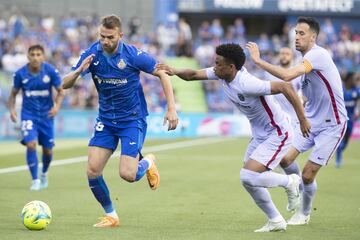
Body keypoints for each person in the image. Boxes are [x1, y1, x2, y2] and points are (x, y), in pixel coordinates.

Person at [157, 43, 311, 232]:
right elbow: (193, 75)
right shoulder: (221, 72)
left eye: (218, 63)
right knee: (248, 180)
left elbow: (286, 87)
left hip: (277, 132)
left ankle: (291, 182)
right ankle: (276, 219)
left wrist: (302, 119)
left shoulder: (247, 83)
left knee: (248, 175)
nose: (214, 67)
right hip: (260, 134)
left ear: (231, 67)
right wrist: (173, 70)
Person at [62, 15, 178, 228]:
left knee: (128, 174)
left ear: (120, 35)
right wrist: (78, 72)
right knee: (92, 171)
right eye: (102, 36)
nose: (105, 41)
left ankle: (148, 161)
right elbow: (64, 84)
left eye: (110, 37)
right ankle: (111, 215)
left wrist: (171, 108)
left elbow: (163, 73)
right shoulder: (92, 54)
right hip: (106, 120)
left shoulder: (133, 55)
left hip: (132, 120)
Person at [246, 16, 348, 225]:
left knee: (308, 174)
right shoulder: (306, 66)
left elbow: (286, 76)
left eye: (302, 33)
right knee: (285, 160)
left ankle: (304, 213)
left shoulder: (318, 55)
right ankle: (294, 186)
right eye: (296, 33)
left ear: (313, 37)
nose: (297, 37)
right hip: (311, 122)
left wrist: (257, 60)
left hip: (333, 124)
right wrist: (301, 116)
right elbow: (305, 95)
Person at [8, 44, 64, 191]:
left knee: (48, 151)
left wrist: (56, 107)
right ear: (28, 56)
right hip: (28, 115)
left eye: (39, 54)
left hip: (46, 116)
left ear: (43, 56)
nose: (35, 57)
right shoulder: (20, 74)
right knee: (31, 144)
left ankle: (44, 173)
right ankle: (35, 180)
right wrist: (12, 110)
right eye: (32, 54)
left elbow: (61, 91)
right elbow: (13, 94)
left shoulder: (50, 71)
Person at [335, 72, 360, 167]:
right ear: (349, 80)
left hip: (351, 121)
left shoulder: (356, 91)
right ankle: (338, 160)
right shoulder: (341, 90)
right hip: (341, 121)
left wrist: (358, 113)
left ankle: (339, 150)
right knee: (340, 140)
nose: (354, 80)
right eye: (353, 79)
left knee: (344, 144)